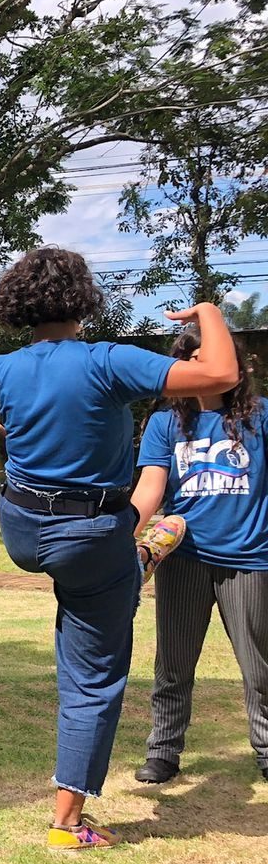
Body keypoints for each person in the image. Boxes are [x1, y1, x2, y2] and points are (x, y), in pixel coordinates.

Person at [0, 247, 237, 851]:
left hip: (23, 532)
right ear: (83, 299)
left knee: (95, 567)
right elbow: (219, 376)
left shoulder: (1, 370)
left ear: (18, 306)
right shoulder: (107, 361)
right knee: (92, 675)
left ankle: (133, 559)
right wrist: (210, 313)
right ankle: (67, 825)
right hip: (87, 537)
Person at [131, 329, 268, 785]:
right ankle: (163, 752)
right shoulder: (165, 424)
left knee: (259, 666)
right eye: (195, 359)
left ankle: (266, 750)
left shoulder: (261, 417)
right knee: (173, 663)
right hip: (183, 557)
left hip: (249, 558)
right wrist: (123, 541)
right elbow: (150, 490)